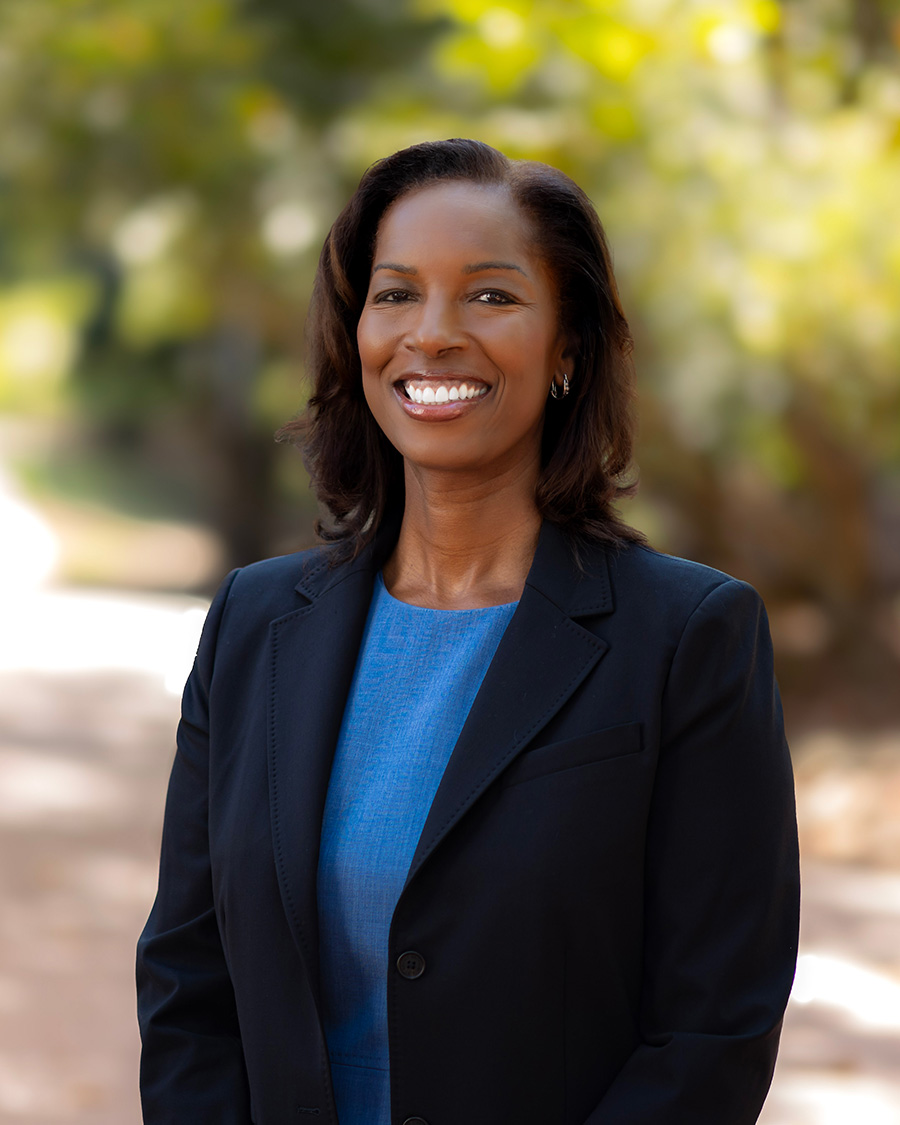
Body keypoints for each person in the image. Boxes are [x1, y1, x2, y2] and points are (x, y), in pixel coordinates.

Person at [137, 138, 800, 1125]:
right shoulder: (253, 625)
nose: (433, 334)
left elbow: (712, 1032)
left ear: (568, 346)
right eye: (396, 294)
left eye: (490, 296)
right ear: (355, 332)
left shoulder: (691, 638)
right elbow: (190, 986)